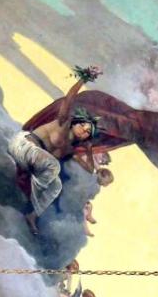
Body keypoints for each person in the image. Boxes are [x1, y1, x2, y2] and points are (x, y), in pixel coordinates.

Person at [7, 71, 101, 234]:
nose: (83, 131)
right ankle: (28, 187)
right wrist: (84, 78)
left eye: (87, 132)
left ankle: (32, 215)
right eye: (82, 126)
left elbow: (90, 169)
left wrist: (89, 150)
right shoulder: (62, 122)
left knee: (56, 186)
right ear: (75, 122)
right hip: (23, 146)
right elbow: (69, 98)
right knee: (53, 166)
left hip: (33, 161)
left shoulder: (70, 149)